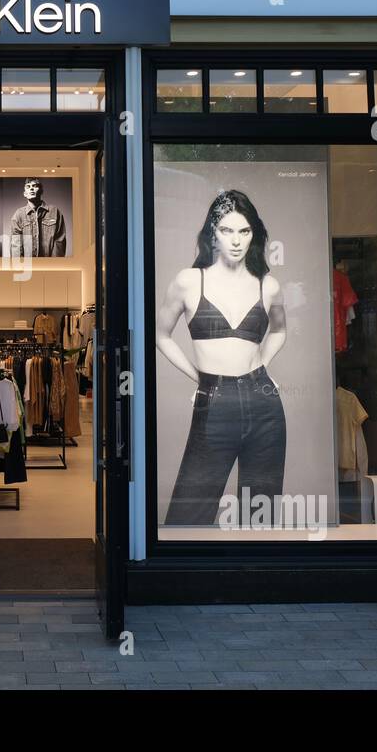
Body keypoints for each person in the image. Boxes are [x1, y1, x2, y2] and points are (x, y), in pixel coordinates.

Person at [155, 189, 288, 527]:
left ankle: (255, 578)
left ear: (254, 234)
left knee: (261, 514)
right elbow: (160, 334)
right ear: (212, 233)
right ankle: (183, 579)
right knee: (189, 513)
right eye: (226, 230)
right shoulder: (189, 281)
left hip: (263, 401)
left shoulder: (267, 286)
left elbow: (279, 330)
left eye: (244, 231)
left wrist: (264, 365)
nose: (236, 240)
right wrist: (198, 376)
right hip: (213, 397)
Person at [8, 177, 67, 258]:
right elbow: (15, 246)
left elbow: (59, 242)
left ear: (41, 191)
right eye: (28, 187)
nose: (31, 188)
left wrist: (53, 266)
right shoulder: (18, 215)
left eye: (35, 186)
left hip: (48, 267)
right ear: (25, 193)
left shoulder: (55, 212)